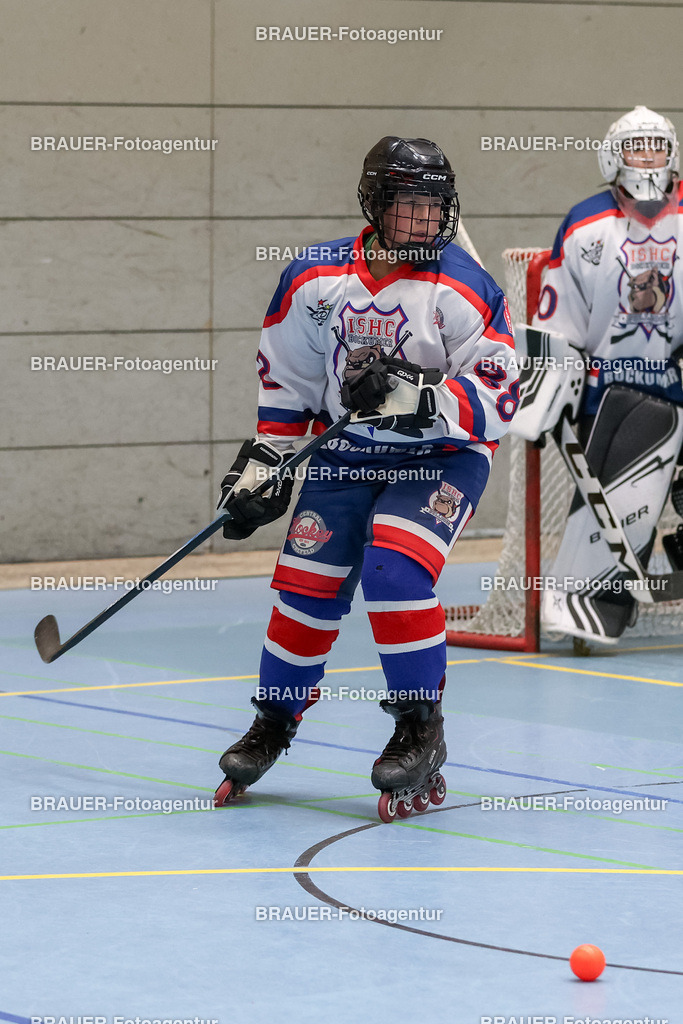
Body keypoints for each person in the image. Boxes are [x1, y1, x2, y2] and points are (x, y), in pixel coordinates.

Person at [214, 136, 518, 821]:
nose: (427, 222)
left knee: (394, 571)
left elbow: (500, 396)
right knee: (305, 585)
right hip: (347, 455)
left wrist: (420, 395)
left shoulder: (464, 286)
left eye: (436, 207)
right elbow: (286, 382)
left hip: (439, 458)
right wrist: (263, 466)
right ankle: (274, 720)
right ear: (375, 205)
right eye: (411, 206)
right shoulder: (313, 279)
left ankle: (419, 727)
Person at [530, 106, 683, 644]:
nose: (648, 157)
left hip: (674, 381)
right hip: (605, 392)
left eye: (656, 146)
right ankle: (587, 610)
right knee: (613, 504)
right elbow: (557, 317)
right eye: (636, 146)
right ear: (612, 156)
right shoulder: (584, 223)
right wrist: (549, 381)